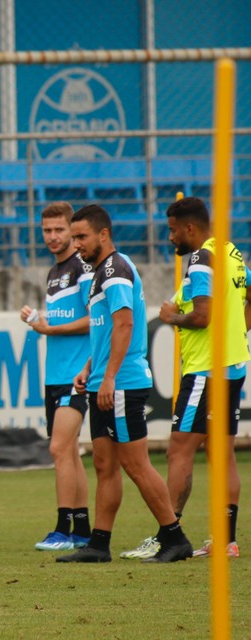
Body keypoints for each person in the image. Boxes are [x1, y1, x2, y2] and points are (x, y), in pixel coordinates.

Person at [57, 204, 192, 563]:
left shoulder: (115, 270)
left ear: (104, 234)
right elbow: (105, 331)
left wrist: (110, 377)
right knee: (105, 464)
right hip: (105, 381)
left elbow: (125, 324)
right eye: (74, 237)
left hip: (122, 384)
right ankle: (99, 543)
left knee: (136, 464)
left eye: (82, 237)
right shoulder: (102, 271)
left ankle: (174, 536)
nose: (76, 244)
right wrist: (90, 368)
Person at [123, 196, 250, 559]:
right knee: (221, 452)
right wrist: (238, 331)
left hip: (206, 370)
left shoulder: (200, 259)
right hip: (233, 365)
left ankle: (170, 534)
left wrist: (171, 317)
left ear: (189, 228)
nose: (170, 238)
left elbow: (202, 316)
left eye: (172, 230)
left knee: (179, 449)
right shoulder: (230, 252)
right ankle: (225, 540)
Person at [17, 203, 93, 552]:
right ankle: (82, 528)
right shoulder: (54, 271)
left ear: (72, 230)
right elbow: (61, 319)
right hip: (55, 375)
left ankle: (63, 528)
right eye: (47, 230)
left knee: (59, 449)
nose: (52, 236)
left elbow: (95, 318)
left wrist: (51, 329)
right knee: (70, 452)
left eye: (59, 230)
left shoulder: (83, 267)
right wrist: (38, 321)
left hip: (77, 375)